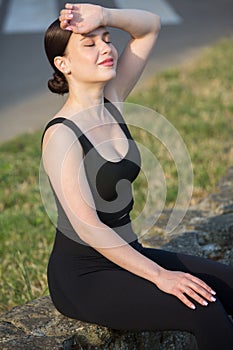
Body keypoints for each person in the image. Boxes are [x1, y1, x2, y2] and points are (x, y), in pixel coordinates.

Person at [41, 3, 233, 349]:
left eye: (107, 39)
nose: (106, 48)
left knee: (229, 286)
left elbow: (150, 26)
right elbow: (88, 227)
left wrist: (103, 15)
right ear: (63, 64)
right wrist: (161, 276)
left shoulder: (112, 101)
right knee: (204, 310)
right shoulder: (62, 135)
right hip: (84, 276)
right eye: (90, 44)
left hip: (128, 252)